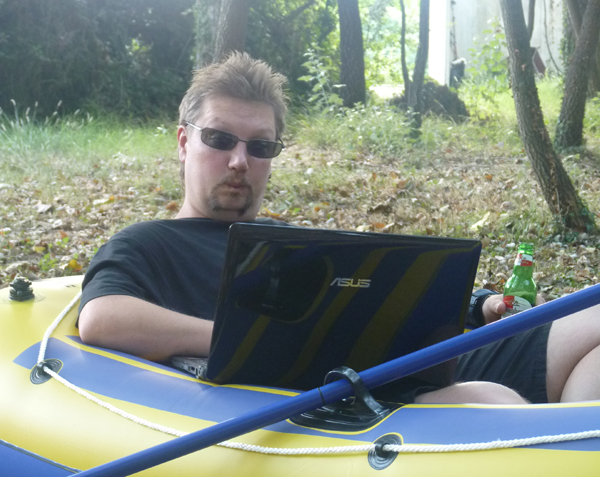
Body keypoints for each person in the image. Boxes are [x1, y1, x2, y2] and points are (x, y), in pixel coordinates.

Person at [78, 52, 600, 406]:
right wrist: (244, 337)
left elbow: (375, 297)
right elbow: (102, 318)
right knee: (493, 400)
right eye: (220, 139)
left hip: (412, 363)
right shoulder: (146, 244)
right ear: (184, 143)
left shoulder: (296, 242)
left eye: (260, 146)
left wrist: (478, 306)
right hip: (343, 397)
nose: (239, 160)